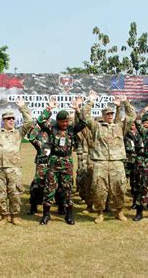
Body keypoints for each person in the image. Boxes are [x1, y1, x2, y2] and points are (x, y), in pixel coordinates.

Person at [83, 91, 136, 224]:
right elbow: (85, 116)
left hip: (117, 162)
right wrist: (91, 101)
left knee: (120, 187)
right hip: (100, 162)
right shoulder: (97, 127)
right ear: (103, 116)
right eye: (107, 114)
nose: (110, 116)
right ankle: (100, 213)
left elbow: (131, 116)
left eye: (112, 113)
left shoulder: (120, 127)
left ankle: (119, 211)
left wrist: (125, 103)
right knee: (99, 188)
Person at [0, 97, 33, 226]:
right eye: (8, 119)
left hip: (13, 168)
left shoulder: (18, 133)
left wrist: (22, 107)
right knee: (0, 194)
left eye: (12, 118)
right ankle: (4, 216)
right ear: (3, 121)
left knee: (15, 193)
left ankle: (15, 216)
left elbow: (29, 121)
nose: (11, 120)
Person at [37, 96, 86, 225]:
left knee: (67, 188)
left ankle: (69, 215)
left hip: (67, 161)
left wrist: (77, 109)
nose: (65, 124)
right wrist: (49, 108)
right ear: (58, 121)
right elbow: (40, 121)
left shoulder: (71, 129)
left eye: (67, 121)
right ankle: (46, 215)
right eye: (62, 121)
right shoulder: (52, 128)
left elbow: (83, 123)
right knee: (50, 188)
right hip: (54, 160)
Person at [27, 120, 51, 215]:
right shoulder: (39, 133)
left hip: (54, 163)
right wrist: (38, 126)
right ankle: (33, 206)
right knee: (36, 186)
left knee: (56, 186)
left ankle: (61, 207)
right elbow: (31, 137)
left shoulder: (54, 132)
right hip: (41, 164)